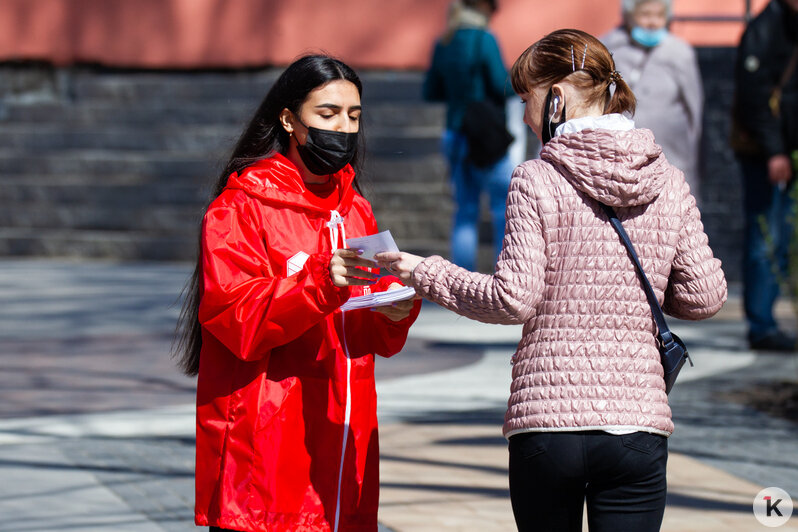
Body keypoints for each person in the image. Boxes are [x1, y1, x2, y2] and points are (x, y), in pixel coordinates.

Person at [377, 29, 727, 532]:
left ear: (556, 97)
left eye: (527, 98)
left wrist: (425, 272)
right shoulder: (666, 180)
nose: (522, 114)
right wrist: (637, 281)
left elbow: (512, 299)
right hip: (637, 423)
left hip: (548, 424)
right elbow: (706, 294)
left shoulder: (535, 179)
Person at [173, 55, 421, 532]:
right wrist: (321, 282)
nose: (343, 128)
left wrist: (396, 312)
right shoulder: (240, 207)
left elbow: (365, 333)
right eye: (327, 114)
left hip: (344, 436)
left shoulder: (356, 210)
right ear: (289, 119)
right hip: (267, 445)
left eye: (353, 116)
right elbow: (237, 319)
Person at [423, 0, 514, 271]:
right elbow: (501, 85)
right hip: (486, 137)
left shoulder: (444, 41)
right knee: (502, 208)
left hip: (454, 134)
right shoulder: (484, 40)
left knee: (465, 211)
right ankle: (507, 275)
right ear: (482, 11)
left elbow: (430, 91)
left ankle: (462, 281)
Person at [732, 0, 798, 352]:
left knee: (782, 236)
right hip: (765, 155)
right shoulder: (763, 29)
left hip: (787, 151)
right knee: (765, 236)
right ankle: (761, 326)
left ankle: (768, 320)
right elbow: (753, 98)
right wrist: (774, 151)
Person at [602, 0, 704, 199]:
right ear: (629, 17)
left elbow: (695, 110)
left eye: (659, 15)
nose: (652, 22)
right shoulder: (608, 49)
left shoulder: (679, 53)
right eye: (645, 14)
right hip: (618, 160)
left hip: (671, 160)